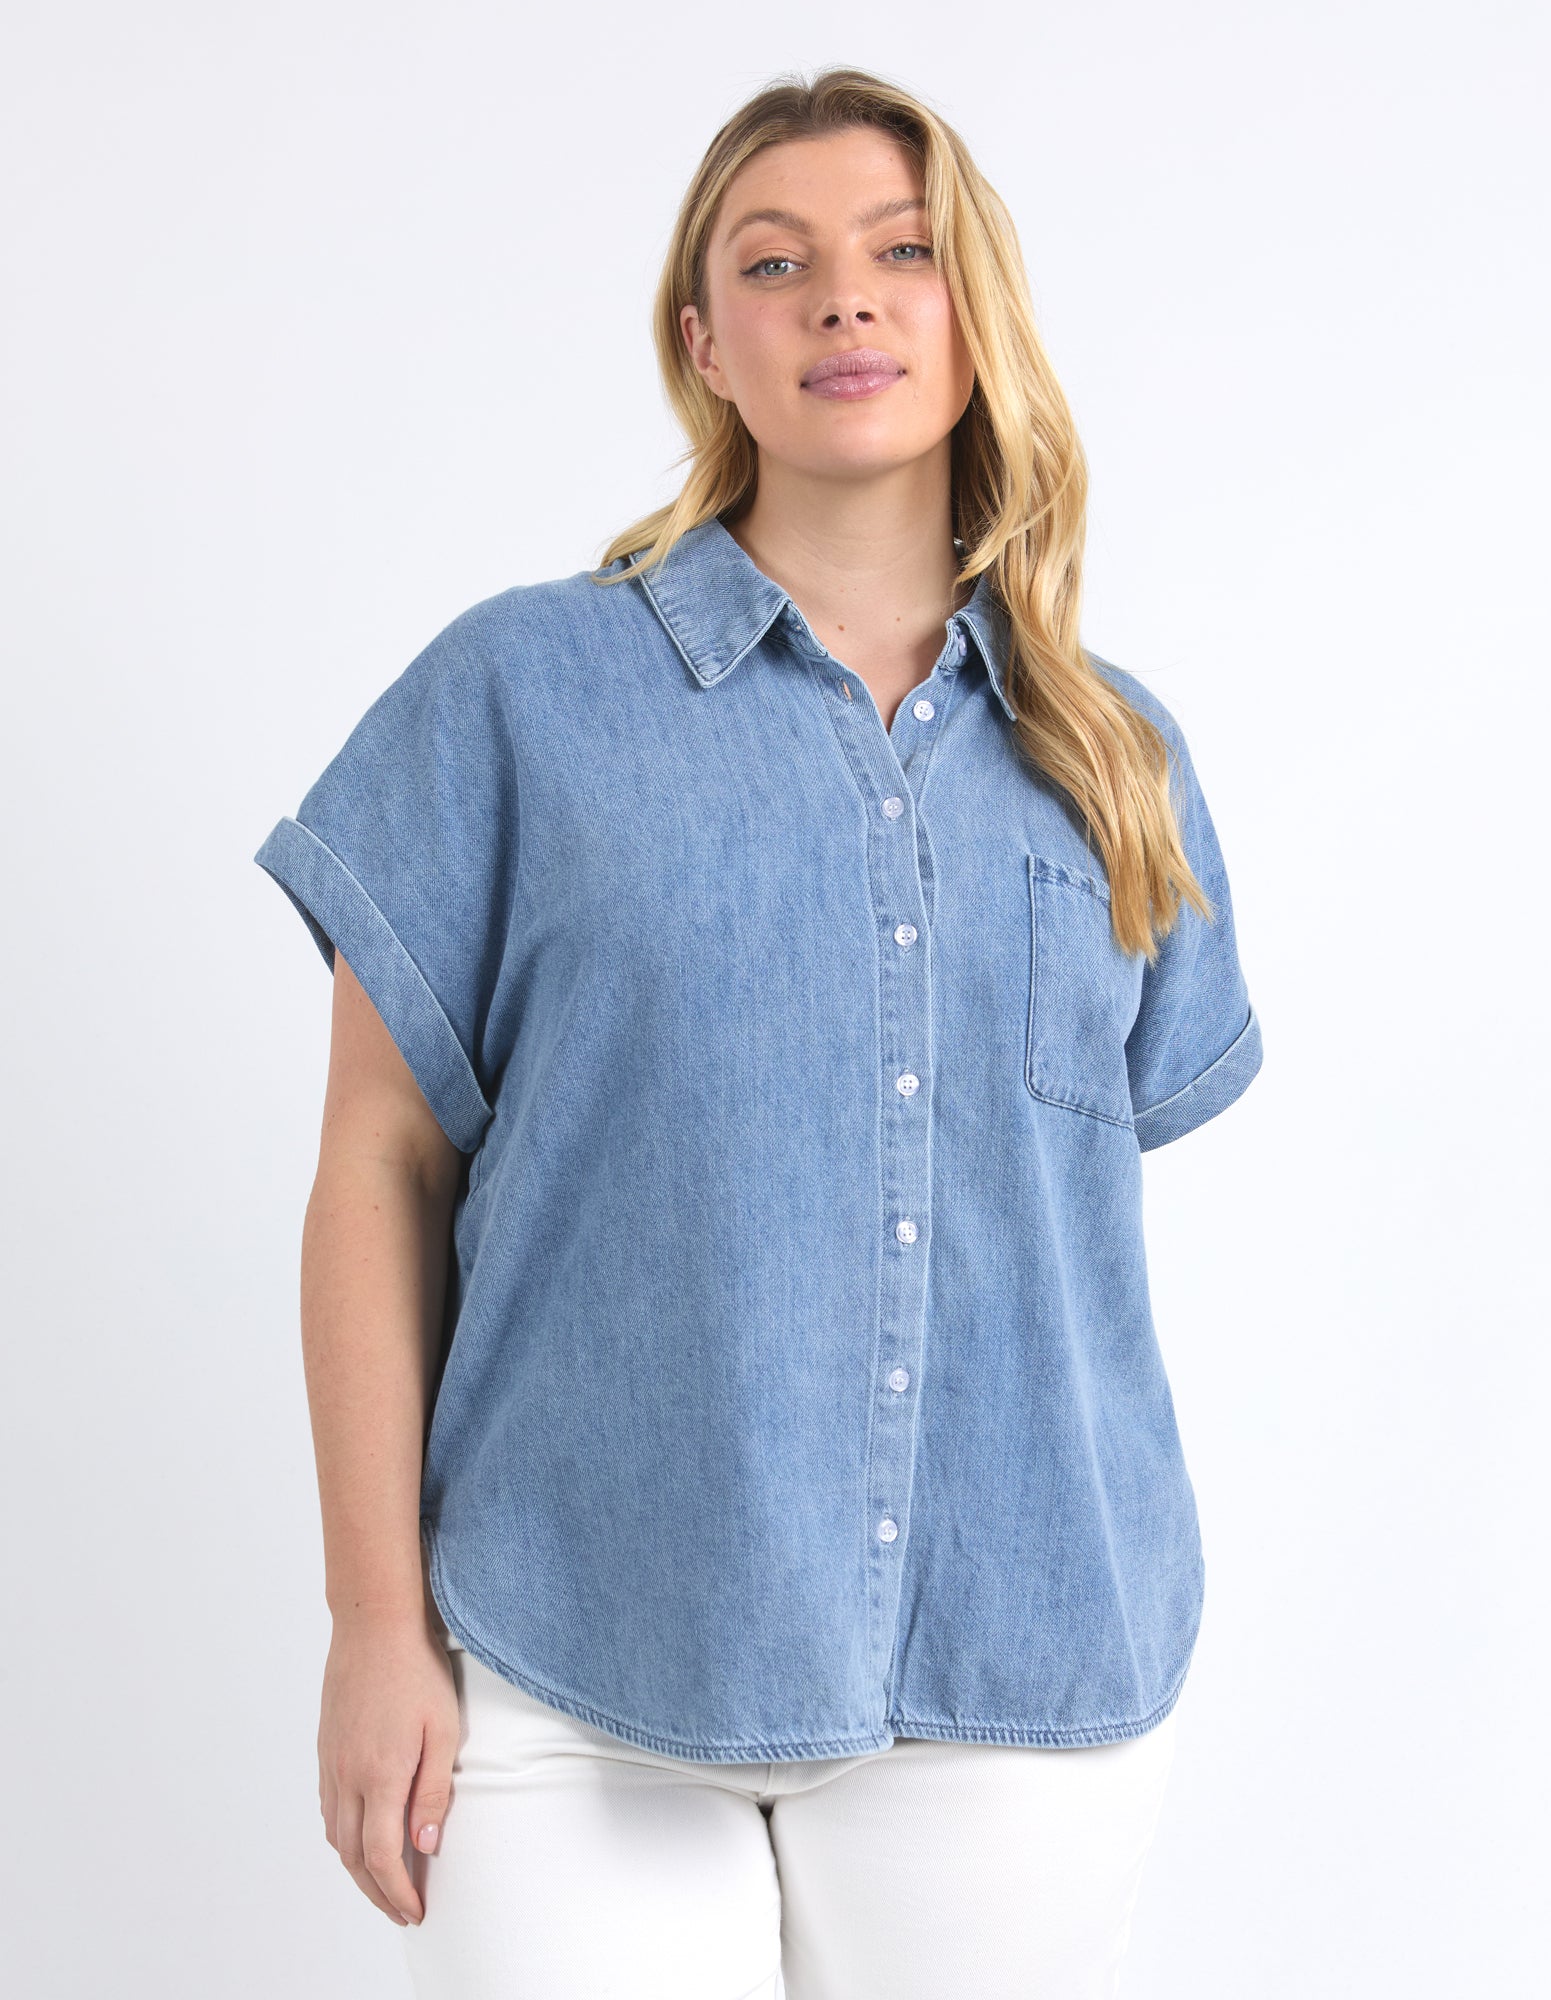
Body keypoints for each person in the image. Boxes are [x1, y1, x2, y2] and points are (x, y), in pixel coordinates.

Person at [252, 65, 1264, 2000]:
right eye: (777, 262)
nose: (846, 297)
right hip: (579, 1649)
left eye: (903, 252)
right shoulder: (520, 693)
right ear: (705, 342)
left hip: (1019, 1663)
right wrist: (373, 1622)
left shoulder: (1119, 758)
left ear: (976, 312)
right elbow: (375, 1167)